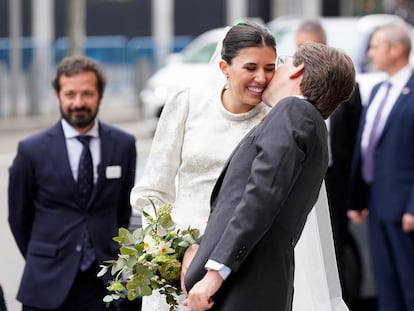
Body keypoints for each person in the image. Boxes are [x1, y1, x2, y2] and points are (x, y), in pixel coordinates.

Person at [182, 42, 356, 311]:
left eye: (281, 64)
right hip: (259, 284)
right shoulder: (313, 126)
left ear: (297, 70)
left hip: (244, 285)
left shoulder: (294, 112)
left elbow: (261, 196)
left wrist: (214, 274)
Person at [130, 22, 273, 311]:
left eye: (269, 68)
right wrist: (168, 252)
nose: (261, 77)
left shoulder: (272, 122)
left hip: (235, 263)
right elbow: (153, 190)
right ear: (224, 67)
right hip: (173, 262)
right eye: (250, 67)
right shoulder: (186, 103)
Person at [8, 55, 137, 311]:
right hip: (47, 281)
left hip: (103, 283)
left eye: (87, 94)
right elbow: (19, 218)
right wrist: (44, 258)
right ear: (58, 96)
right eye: (70, 94)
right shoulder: (31, 150)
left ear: (100, 95)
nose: (78, 103)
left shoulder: (123, 145)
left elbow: (122, 209)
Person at [295, 19, 363, 306]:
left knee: (334, 248)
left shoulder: (350, 89)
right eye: (299, 47)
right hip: (298, 180)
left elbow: (357, 142)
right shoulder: (290, 87)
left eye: (309, 46)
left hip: (334, 180)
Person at [348, 22, 414, 311]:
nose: (369, 53)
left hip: (405, 210)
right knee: (385, 283)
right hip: (377, 203)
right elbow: (367, 147)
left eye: (375, 46)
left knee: (410, 282)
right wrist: (359, 198)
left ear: (397, 49)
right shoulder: (376, 91)